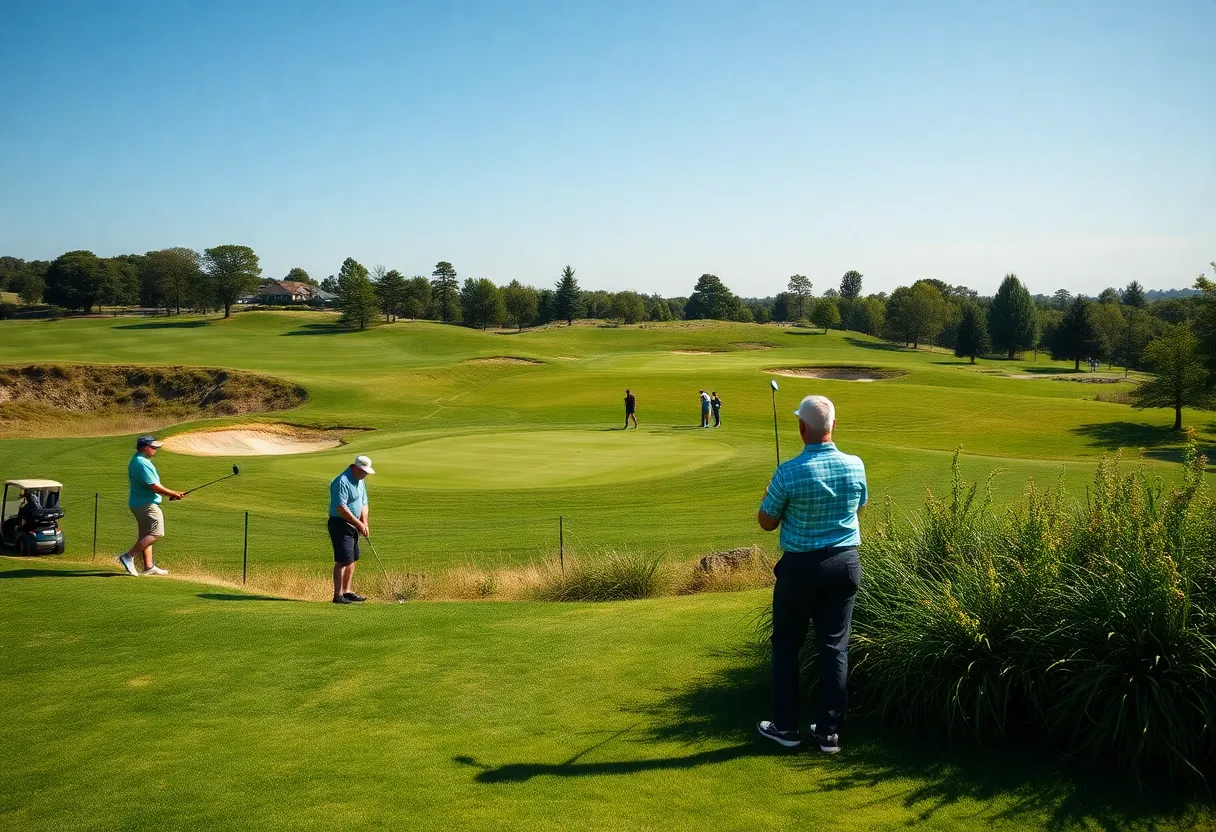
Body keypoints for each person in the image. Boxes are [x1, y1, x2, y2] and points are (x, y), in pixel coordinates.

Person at [755, 395, 867, 753]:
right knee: (834, 646)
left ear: (802, 428)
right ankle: (829, 733)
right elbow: (859, 507)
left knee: (787, 645)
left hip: (801, 568)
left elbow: (766, 522)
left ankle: (787, 728)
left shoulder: (788, 471)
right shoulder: (855, 465)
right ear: (833, 426)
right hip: (845, 564)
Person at [118, 435, 184, 577]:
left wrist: (171, 494)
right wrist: (173, 493)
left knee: (146, 535)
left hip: (140, 503)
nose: (156, 450)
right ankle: (128, 557)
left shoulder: (139, 460)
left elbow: (153, 486)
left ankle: (148, 566)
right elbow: (153, 486)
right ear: (145, 447)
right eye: (153, 447)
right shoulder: (142, 463)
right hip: (146, 505)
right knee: (156, 533)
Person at [329, 455, 375, 604]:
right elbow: (341, 508)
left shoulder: (360, 481)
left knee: (352, 559)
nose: (365, 474)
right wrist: (358, 524)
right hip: (340, 523)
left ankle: (347, 591)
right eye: (363, 471)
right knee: (342, 560)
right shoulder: (341, 481)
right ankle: (338, 595)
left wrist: (364, 523)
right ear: (355, 467)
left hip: (353, 525)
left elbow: (364, 503)